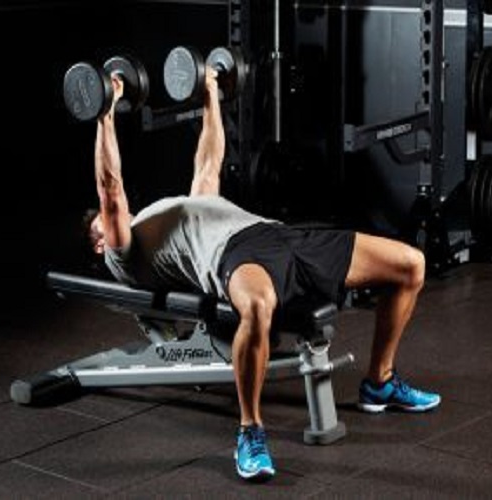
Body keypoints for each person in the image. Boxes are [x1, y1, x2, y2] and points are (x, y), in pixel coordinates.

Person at [84, 67, 440, 483]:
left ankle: (379, 382)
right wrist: (105, 114)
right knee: (257, 305)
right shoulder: (121, 250)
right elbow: (110, 187)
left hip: (279, 234)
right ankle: (249, 431)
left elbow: (208, 161)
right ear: (98, 242)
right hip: (234, 254)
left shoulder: (170, 210)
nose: (116, 216)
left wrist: (210, 91)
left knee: (410, 264)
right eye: (102, 225)